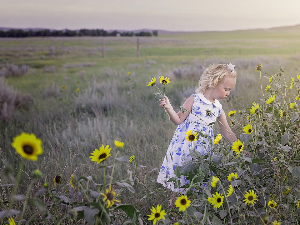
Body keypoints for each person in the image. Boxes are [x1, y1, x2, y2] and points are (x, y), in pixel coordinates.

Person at [157, 63, 238, 193]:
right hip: (185, 150)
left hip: (203, 154)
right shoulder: (194, 100)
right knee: (180, 185)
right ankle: (174, 211)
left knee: (199, 184)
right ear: (213, 83)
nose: (228, 93)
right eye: (226, 89)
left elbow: (227, 132)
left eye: (230, 90)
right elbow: (178, 120)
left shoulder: (218, 108)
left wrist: (239, 148)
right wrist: (168, 108)